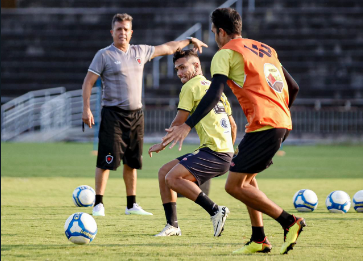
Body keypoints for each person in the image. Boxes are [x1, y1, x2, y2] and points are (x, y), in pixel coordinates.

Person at [161, 8, 302, 255]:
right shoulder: (265, 49)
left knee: (233, 187)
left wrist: (187, 125)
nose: (215, 36)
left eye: (214, 31)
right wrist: (279, 112)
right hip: (278, 122)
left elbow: (214, 93)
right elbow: (294, 87)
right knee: (247, 178)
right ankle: (259, 238)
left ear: (221, 32)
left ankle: (289, 222)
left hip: (264, 125)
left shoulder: (224, 53)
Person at [82, 13, 207, 217]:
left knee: (133, 162)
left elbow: (168, 47)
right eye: (119, 29)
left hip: (136, 115)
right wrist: (86, 108)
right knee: (106, 161)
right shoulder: (104, 55)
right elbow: (88, 82)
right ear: (112, 32)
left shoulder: (140, 51)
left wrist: (190, 41)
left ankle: (131, 205)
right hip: (112, 115)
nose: (122, 32)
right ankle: (99, 204)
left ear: (131, 33)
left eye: (126, 29)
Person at [148, 49, 237, 237]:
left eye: (182, 67)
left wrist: (161, 145)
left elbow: (178, 123)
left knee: (172, 178)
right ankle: (173, 225)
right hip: (221, 152)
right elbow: (233, 126)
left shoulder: (190, 87)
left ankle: (215, 210)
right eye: (177, 69)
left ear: (196, 65)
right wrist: (229, 151)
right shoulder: (216, 89)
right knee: (164, 172)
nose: (179, 73)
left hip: (214, 153)